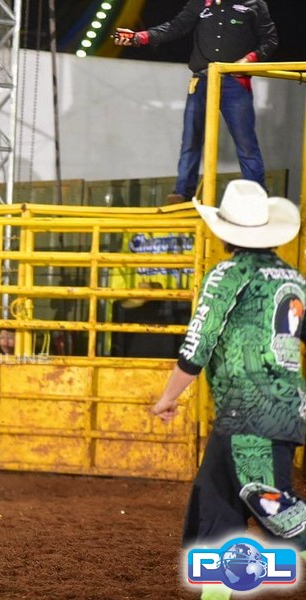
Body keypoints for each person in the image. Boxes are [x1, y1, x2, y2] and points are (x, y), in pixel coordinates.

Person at [150, 180, 306, 599]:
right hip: (278, 411)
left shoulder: (225, 275)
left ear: (225, 231)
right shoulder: (293, 279)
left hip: (248, 411)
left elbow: (198, 344)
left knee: (273, 507)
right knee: (215, 504)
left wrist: (168, 398)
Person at [114, 1, 278, 205]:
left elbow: (270, 40)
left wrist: (249, 59)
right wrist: (139, 37)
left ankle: (256, 193)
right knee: (190, 138)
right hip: (202, 80)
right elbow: (176, 27)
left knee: (245, 142)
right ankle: (182, 192)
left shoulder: (254, 4)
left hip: (235, 80)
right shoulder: (200, 3)